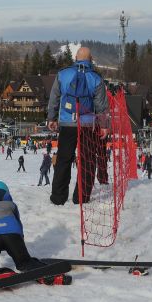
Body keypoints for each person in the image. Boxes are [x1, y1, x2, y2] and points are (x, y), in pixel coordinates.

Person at [0, 181, 68, 284]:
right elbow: (18, 225)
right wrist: (20, 246)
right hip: (12, 236)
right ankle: (47, 274)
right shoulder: (11, 205)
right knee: (25, 263)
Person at [46, 46, 108, 206]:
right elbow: (101, 105)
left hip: (67, 123)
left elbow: (54, 97)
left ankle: (58, 197)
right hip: (87, 125)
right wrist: (104, 125)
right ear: (91, 59)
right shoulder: (96, 78)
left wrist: (52, 118)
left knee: (63, 159)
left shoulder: (63, 74)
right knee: (87, 160)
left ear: (75, 58)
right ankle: (81, 197)